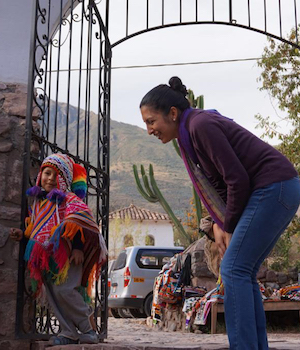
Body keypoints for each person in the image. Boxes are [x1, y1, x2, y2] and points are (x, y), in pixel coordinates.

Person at [139, 76, 300, 350]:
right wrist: (218, 222)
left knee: (234, 268)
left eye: (151, 121)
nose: (149, 129)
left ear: (173, 113)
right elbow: (221, 185)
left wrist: (226, 224)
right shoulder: (190, 132)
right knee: (242, 271)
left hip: (274, 187)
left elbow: (236, 179)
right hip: (277, 189)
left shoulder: (200, 126)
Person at [10, 153, 107, 346]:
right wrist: (23, 235)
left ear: (64, 180)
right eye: (47, 173)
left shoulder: (69, 200)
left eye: (57, 176)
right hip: (47, 257)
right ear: (40, 175)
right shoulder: (38, 203)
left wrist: (78, 248)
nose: (51, 179)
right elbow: (35, 229)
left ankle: (87, 326)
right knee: (54, 295)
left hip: (68, 255)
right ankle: (68, 331)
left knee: (66, 290)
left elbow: (79, 222)